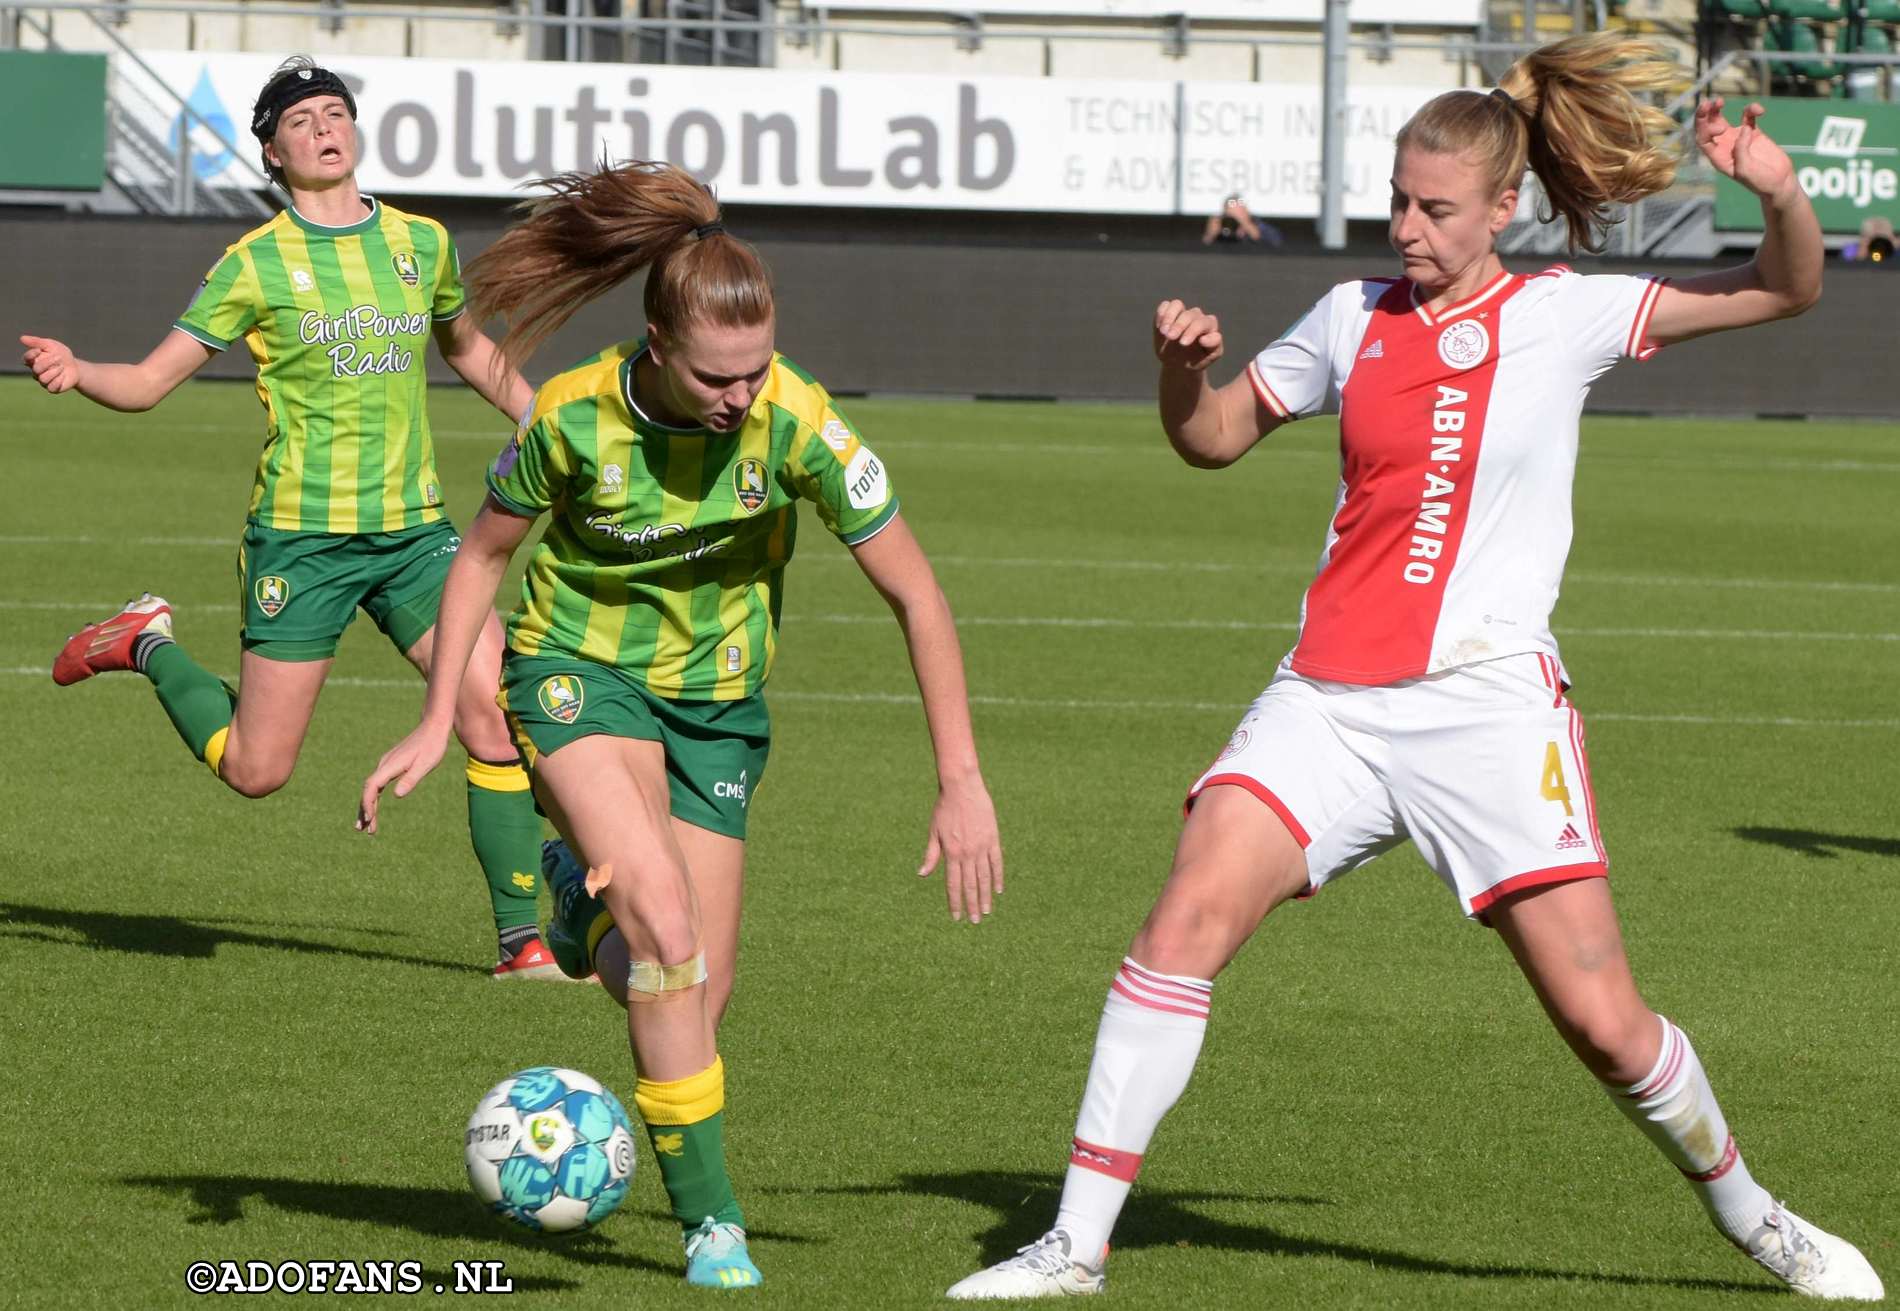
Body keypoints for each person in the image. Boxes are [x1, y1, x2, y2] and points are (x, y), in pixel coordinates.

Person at [948, 35, 1884, 1302]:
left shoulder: (1566, 313)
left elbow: (1786, 290)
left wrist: (1778, 191)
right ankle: (1075, 1245)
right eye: (1397, 199)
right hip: (1326, 703)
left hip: (1487, 711)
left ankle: (1756, 1218)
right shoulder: (1349, 317)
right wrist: (1182, 376)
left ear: (1503, 209)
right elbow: (1214, 439)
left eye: (1435, 208)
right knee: (1182, 924)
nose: (1406, 227)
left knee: (1604, 1023)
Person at [355, 160, 1003, 1288]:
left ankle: (577, 904)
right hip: (575, 678)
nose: (741, 396)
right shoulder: (570, 418)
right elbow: (484, 555)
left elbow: (919, 594)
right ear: (656, 346)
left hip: (718, 715)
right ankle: (712, 1224)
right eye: (718, 376)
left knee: (692, 996)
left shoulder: (794, 419)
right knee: (665, 932)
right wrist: (432, 713)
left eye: (756, 371)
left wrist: (961, 779)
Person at [17, 58, 562, 980]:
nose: (324, 126)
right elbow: (150, 383)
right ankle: (145, 642)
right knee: (257, 770)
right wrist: (83, 372)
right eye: (302, 119)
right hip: (301, 544)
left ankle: (522, 944)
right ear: (274, 152)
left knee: (493, 719)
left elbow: (467, 349)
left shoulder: (422, 243)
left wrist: (545, 417)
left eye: (335, 111)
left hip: (417, 539)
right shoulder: (254, 262)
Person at [1201, 193, 1282, 248]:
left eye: (1240, 211)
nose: (1236, 216)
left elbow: (1275, 241)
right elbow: (1205, 245)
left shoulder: (1258, 224)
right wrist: (1211, 233)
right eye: (1232, 212)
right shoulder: (1222, 225)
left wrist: (1245, 223)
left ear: (1246, 211)